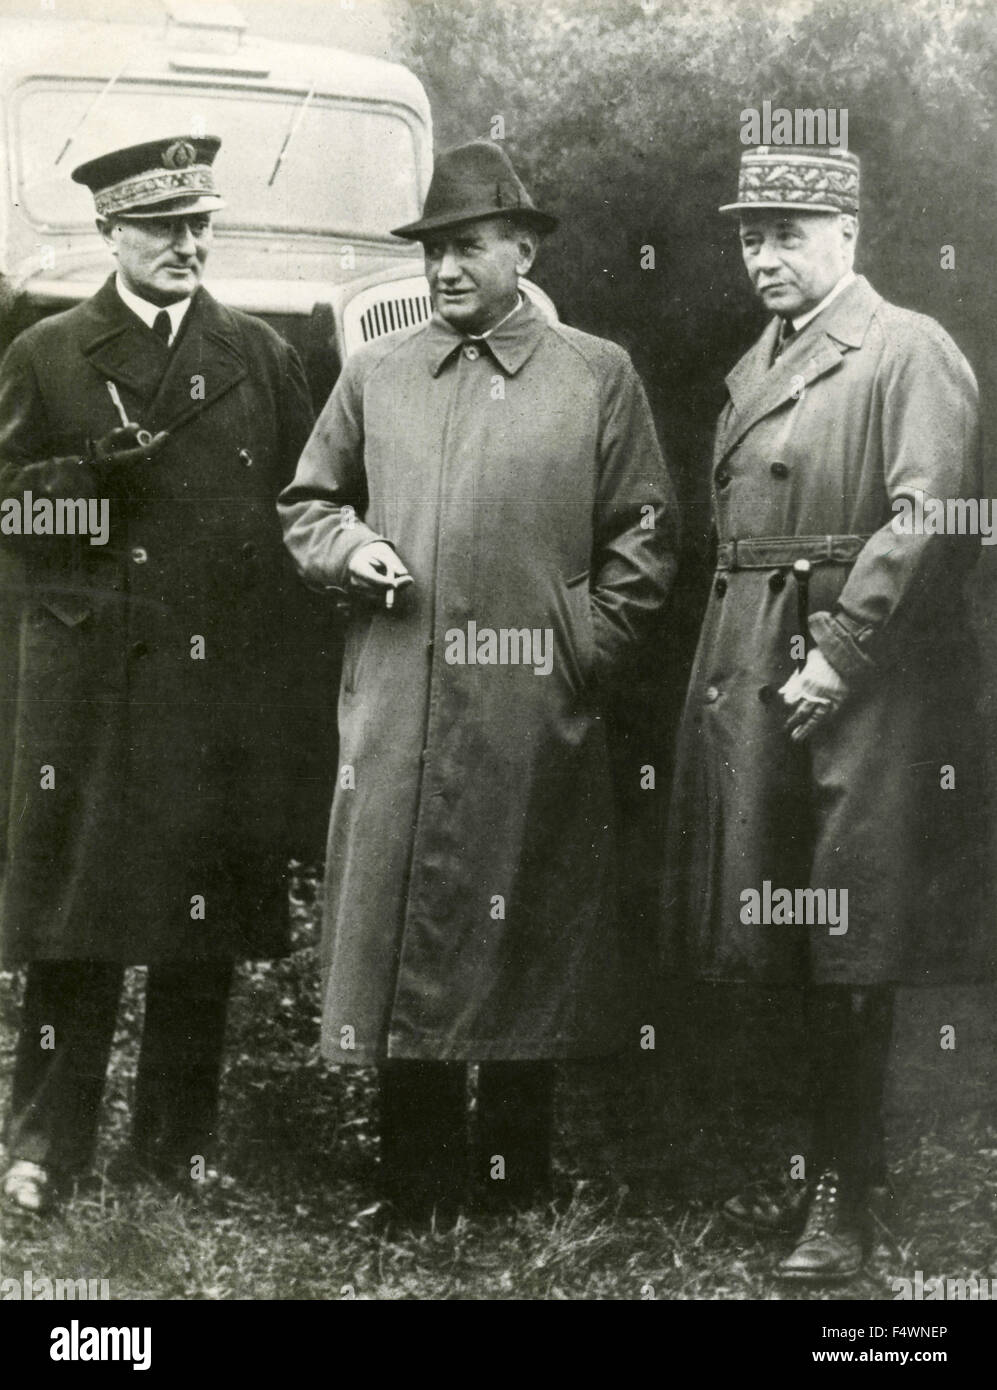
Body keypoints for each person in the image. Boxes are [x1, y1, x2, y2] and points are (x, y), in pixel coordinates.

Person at [279, 139, 679, 1227]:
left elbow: (644, 536)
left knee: (526, 920)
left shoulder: (596, 374)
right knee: (406, 919)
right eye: (432, 252)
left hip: (530, 705)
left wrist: (581, 650)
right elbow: (308, 501)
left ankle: (510, 1178)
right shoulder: (380, 371)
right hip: (400, 697)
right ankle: (413, 1182)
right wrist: (347, 547)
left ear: (521, 248)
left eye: (466, 249)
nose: (446, 270)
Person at [665, 144, 988, 1280]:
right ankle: (814, 1173)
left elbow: (927, 515)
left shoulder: (907, 349)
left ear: (847, 231)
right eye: (751, 235)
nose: (764, 255)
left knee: (849, 936)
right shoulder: (758, 365)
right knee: (786, 932)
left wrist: (840, 650)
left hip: (863, 684)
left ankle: (843, 1206)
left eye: (789, 232)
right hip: (756, 669)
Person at [0, 135, 315, 1212]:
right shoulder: (45, 352)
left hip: (219, 678)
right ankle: (43, 1140)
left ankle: (174, 1142)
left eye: (198, 222)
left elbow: (301, 509)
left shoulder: (262, 355)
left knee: (200, 923)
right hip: (96, 681)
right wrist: (86, 482)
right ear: (109, 233)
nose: (186, 243)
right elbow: (9, 517)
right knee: (76, 918)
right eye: (160, 226)